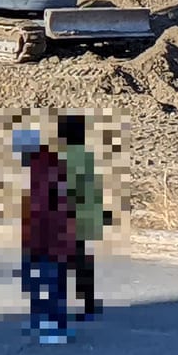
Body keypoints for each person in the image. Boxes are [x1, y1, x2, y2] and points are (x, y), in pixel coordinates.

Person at [12, 127, 77, 344]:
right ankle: (40, 319)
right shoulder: (40, 168)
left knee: (51, 282)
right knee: (35, 280)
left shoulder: (46, 171)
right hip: (41, 237)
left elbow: (45, 211)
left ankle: (56, 328)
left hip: (50, 239)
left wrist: (36, 239)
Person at [58, 113, 108, 321]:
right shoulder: (87, 158)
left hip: (68, 216)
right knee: (81, 260)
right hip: (85, 217)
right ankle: (87, 301)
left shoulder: (63, 158)